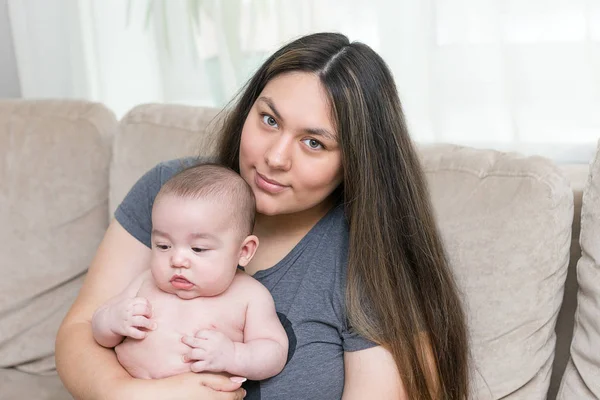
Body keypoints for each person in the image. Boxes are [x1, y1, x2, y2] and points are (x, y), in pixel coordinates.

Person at [56, 32, 469, 400]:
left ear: (357, 161)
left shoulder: (368, 259)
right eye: (269, 120)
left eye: (313, 143)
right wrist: (134, 395)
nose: (274, 157)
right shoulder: (171, 192)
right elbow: (80, 332)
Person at [90, 163, 288, 381]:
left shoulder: (250, 296)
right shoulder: (146, 282)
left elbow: (274, 352)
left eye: (198, 249)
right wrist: (113, 320)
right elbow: (99, 327)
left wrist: (234, 355)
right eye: (164, 246)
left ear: (244, 251)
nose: (177, 260)